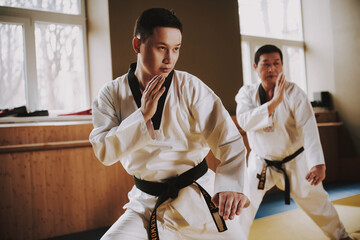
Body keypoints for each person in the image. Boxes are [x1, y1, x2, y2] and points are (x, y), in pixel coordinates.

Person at [89, 8, 250, 240]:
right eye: (161, 47)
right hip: (146, 204)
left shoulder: (190, 87)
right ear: (137, 45)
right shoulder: (111, 94)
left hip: (198, 196)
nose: (169, 58)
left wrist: (232, 184)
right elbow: (104, 151)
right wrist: (142, 115)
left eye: (176, 49)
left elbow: (229, 138)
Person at [235, 44, 350, 239]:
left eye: (276, 63)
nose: (272, 68)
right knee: (244, 202)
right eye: (266, 64)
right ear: (255, 66)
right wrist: (274, 103)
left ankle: (342, 237)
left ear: (282, 66)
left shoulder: (295, 93)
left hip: (296, 161)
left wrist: (318, 163)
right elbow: (244, 122)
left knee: (319, 204)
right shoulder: (246, 93)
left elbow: (308, 127)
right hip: (261, 162)